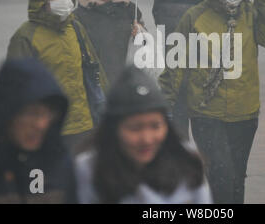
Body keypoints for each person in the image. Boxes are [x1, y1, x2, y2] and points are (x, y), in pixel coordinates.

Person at [159, 0, 265, 203]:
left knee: (237, 176)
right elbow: (175, 63)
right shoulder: (195, 16)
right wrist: (164, 102)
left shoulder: (252, 14)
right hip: (206, 112)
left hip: (244, 113)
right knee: (221, 174)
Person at [75, 65, 212, 204]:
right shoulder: (88, 170)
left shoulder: (187, 162)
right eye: (135, 128)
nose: (146, 139)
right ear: (113, 129)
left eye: (155, 126)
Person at [7, 0, 108, 153]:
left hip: (83, 124)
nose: (65, 1)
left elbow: (94, 68)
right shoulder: (26, 36)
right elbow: (14, 86)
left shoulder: (75, 28)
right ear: (42, 2)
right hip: (46, 128)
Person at [0, 58, 77, 203]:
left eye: (48, 114)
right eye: (31, 113)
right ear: (6, 112)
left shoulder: (59, 163)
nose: (41, 124)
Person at [151, 0, 208, 138]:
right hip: (204, 71)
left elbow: (158, 20)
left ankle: (181, 161)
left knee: (178, 123)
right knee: (205, 130)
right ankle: (205, 165)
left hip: (174, 67)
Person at [74, 0, 144, 86]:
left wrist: (140, 33)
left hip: (126, 84)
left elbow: (144, 47)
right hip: (94, 84)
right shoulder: (79, 16)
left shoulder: (130, 10)